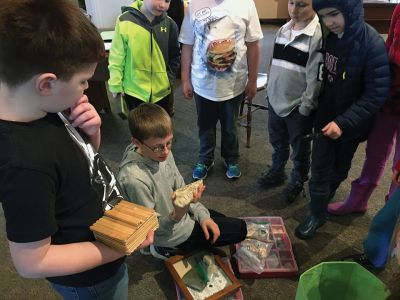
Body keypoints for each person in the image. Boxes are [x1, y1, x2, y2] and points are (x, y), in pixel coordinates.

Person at [0, 1, 153, 299]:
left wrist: (91, 133)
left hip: (98, 230)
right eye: (83, 81)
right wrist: (119, 246)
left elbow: (80, 160)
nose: (85, 90)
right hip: (91, 279)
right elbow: (31, 262)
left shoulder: (41, 105)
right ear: (46, 83)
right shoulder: (24, 166)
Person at [295, 0, 390, 239]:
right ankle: (316, 213)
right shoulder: (327, 36)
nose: (329, 22)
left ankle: (326, 195)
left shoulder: (372, 44)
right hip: (326, 118)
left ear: (351, 11)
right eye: (324, 16)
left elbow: (376, 93)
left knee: (340, 168)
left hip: (352, 124)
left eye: (335, 14)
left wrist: (344, 122)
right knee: (320, 168)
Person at [117, 103, 247, 259]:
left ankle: (192, 225)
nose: (166, 152)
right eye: (158, 147)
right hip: (169, 232)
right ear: (136, 142)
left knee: (220, 220)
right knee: (240, 230)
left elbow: (179, 184)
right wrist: (177, 215)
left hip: (179, 214)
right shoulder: (134, 180)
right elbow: (150, 229)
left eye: (169, 142)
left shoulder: (158, 151)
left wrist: (201, 214)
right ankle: (163, 247)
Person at [328, 4, 400, 215]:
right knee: (375, 152)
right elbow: (389, 47)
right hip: (389, 96)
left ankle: (392, 216)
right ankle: (358, 199)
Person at [179, 0, 263, 180]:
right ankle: (205, 158)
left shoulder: (246, 4)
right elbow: (187, 44)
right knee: (205, 126)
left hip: (234, 85)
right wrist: (185, 79)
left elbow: (253, 45)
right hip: (202, 84)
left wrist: (253, 80)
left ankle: (231, 158)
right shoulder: (194, 3)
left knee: (230, 126)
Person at [257, 0, 323, 205]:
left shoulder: (317, 35)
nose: (294, 10)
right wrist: (270, 89)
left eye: (302, 5)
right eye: (291, 2)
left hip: (297, 107)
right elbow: (273, 63)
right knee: (277, 141)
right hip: (276, 100)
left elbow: (315, 78)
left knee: (300, 149)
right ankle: (277, 171)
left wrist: (306, 107)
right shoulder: (284, 29)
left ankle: (298, 180)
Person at [108, 0, 181, 116]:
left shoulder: (170, 24)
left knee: (161, 128)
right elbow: (117, 56)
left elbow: (175, 56)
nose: (162, 5)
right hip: (134, 91)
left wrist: (168, 79)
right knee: (139, 127)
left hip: (162, 92)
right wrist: (115, 84)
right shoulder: (124, 21)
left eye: (167, 0)